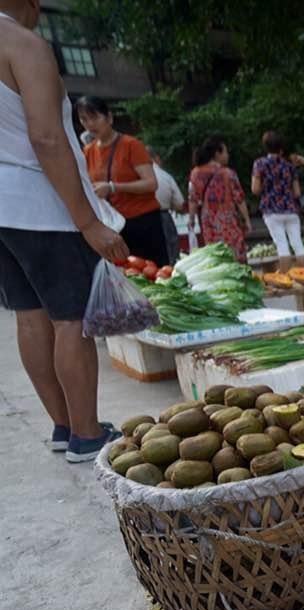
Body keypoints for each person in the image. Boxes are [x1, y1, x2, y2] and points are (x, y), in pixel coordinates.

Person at [0, 0, 127, 462]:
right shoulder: (22, 42)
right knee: (70, 318)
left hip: (3, 211)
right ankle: (88, 433)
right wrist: (88, 221)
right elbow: (47, 138)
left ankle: (63, 426)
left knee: (29, 315)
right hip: (40, 204)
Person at [77, 95, 168, 265]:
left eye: (94, 117)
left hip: (143, 222)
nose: (90, 124)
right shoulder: (87, 152)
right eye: (84, 120)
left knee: (155, 273)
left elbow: (151, 183)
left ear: (109, 118)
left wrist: (112, 187)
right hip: (113, 226)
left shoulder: (131, 145)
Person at [188, 135, 249, 262]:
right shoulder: (228, 173)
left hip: (207, 221)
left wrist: (191, 219)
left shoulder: (195, 173)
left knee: (216, 256)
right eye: (225, 152)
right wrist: (247, 220)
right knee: (235, 254)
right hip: (227, 220)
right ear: (217, 153)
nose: (228, 155)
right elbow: (239, 199)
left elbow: (193, 199)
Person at [251, 130, 304, 271]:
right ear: (281, 147)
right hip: (291, 210)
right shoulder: (289, 166)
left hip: (272, 210)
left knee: (282, 246)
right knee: (298, 245)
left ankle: (285, 279)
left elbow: (255, 189)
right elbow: (297, 193)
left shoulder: (260, 164)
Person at [148, 146, 183, 265]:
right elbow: (179, 204)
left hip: (141, 219)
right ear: (156, 158)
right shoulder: (165, 176)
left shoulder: (132, 177)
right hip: (164, 217)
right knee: (171, 255)